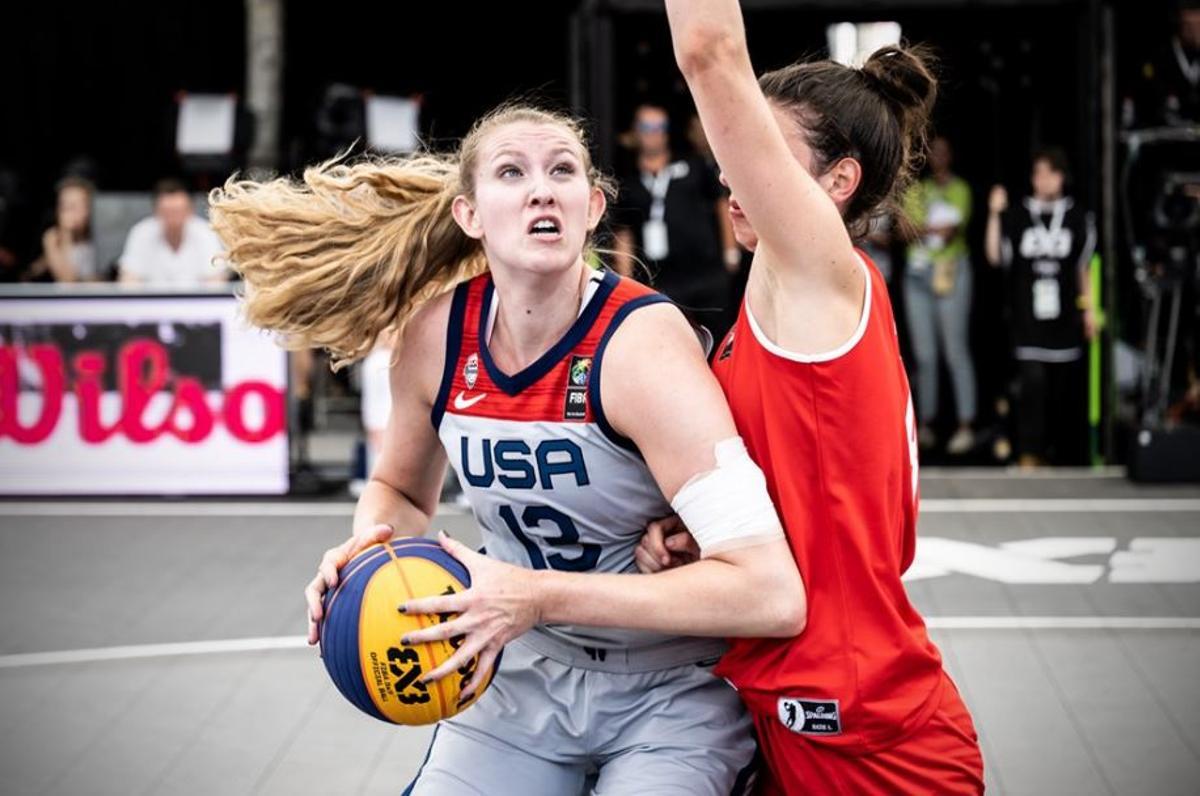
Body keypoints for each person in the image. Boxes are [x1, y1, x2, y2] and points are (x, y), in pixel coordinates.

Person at [210, 103, 804, 795]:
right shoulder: (437, 336)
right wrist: (372, 555)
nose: (541, 189)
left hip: (670, 693)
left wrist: (533, 595)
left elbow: (769, 592)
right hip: (515, 678)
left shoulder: (640, 345)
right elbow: (400, 493)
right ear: (469, 214)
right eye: (512, 172)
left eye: (562, 171)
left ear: (593, 207)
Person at [636, 2, 984, 792]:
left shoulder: (820, 272)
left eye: (758, 145)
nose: (729, 166)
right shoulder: (778, 297)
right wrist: (708, 535)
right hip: (787, 703)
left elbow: (710, 49)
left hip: (866, 732)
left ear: (838, 182)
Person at [985, 148, 1097, 466]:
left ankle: (1063, 453)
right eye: (1037, 173)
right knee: (1032, 385)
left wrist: (1088, 309)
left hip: (1063, 317)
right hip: (1028, 317)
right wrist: (994, 213)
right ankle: (1029, 452)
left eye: (1048, 173)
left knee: (1063, 390)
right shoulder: (1020, 213)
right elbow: (995, 256)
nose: (1042, 180)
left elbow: (1083, 267)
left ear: (1061, 176)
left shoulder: (1077, 216)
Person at [612, 103, 736, 341]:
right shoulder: (629, 180)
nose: (653, 132)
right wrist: (625, 279)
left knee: (720, 337)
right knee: (672, 340)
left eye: (659, 126)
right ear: (635, 131)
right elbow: (624, 231)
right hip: (661, 278)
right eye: (646, 126)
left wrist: (730, 250)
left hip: (706, 271)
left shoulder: (692, 165)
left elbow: (721, 203)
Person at [902, 135, 978, 454]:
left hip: (950, 272)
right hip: (918, 275)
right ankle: (927, 423)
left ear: (951, 156)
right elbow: (904, 231)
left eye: (944, 152)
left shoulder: (960, 189)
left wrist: (924, 230)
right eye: (933, 152)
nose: (938, 157)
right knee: (925, 355)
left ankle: (965, 424)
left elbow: (951, 232)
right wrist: (926, 230)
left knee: (955, 350)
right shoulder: (917, 190)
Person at [119, 179, 226, 286]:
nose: (173, 219)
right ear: (156, 211)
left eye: (178, 211)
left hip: (196, 302)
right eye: (167, 212)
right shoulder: (141, 233)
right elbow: (129, 281)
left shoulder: (206, 233)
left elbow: (216, 282)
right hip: (151, 302)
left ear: (190, 210)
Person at [28, 176, 99, 283]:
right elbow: (29, 276)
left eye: (75, 205)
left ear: (90, 208)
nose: (68, 212)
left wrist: (63, 236)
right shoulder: (55, 239)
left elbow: (70, 281)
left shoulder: (98, 242)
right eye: (64, 206)